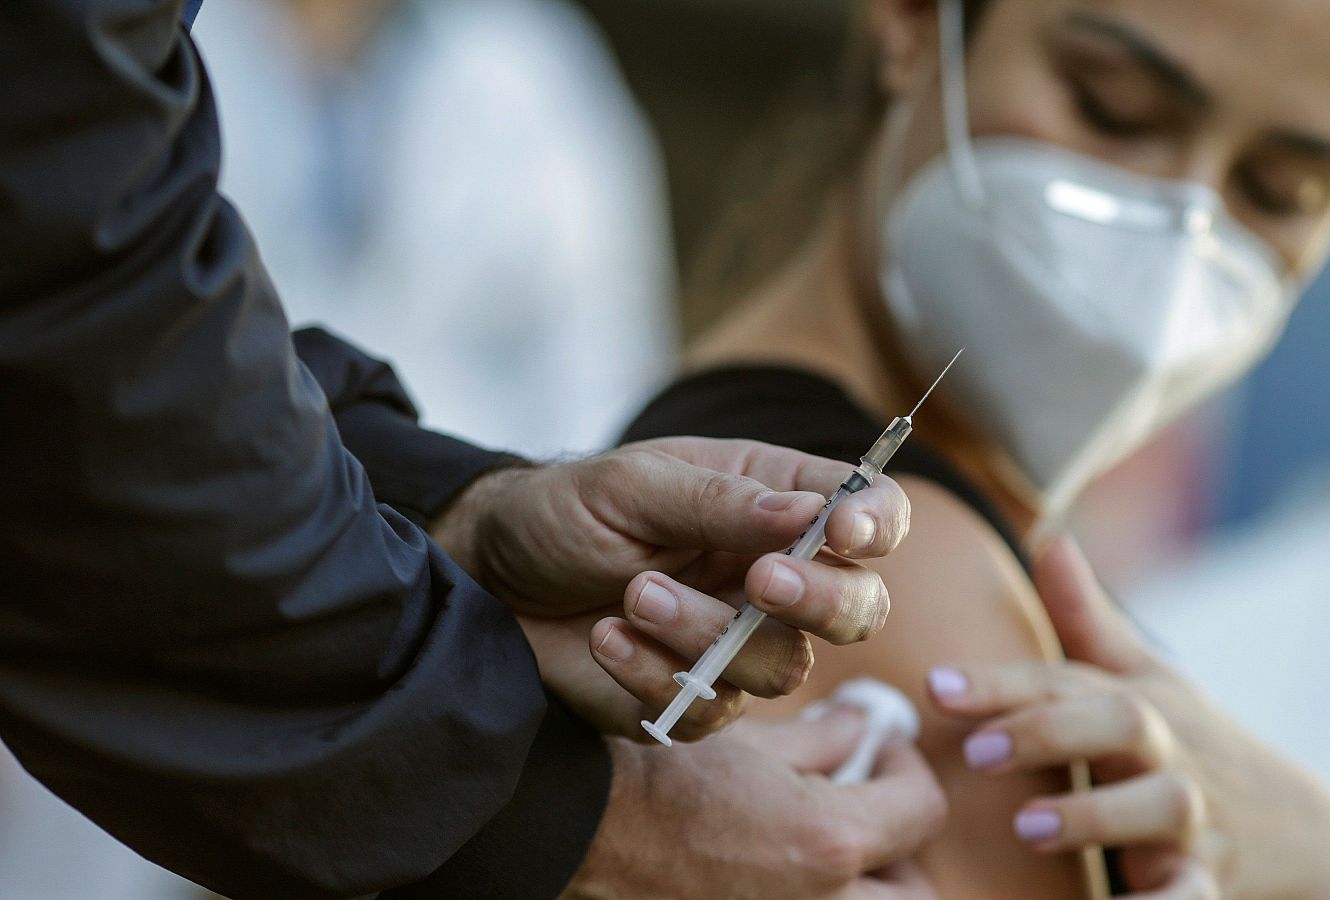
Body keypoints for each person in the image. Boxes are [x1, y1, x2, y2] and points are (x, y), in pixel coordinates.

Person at [0, 1, 944, 897]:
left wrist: (463, 516)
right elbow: (82, 357)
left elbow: (178, 380)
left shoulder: (527, 78)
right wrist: (571, 810)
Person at [619, 0, 1330, 894]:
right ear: (911, 20)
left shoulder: (716, 443)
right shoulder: (906, 575)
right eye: (1111, 105)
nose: (1180, 240)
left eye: (1282, 189)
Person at [194, 0, 675, 458]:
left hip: (474, 519)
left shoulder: (526, 64)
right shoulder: (160, 51)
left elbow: (602, 355)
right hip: (221, 500)